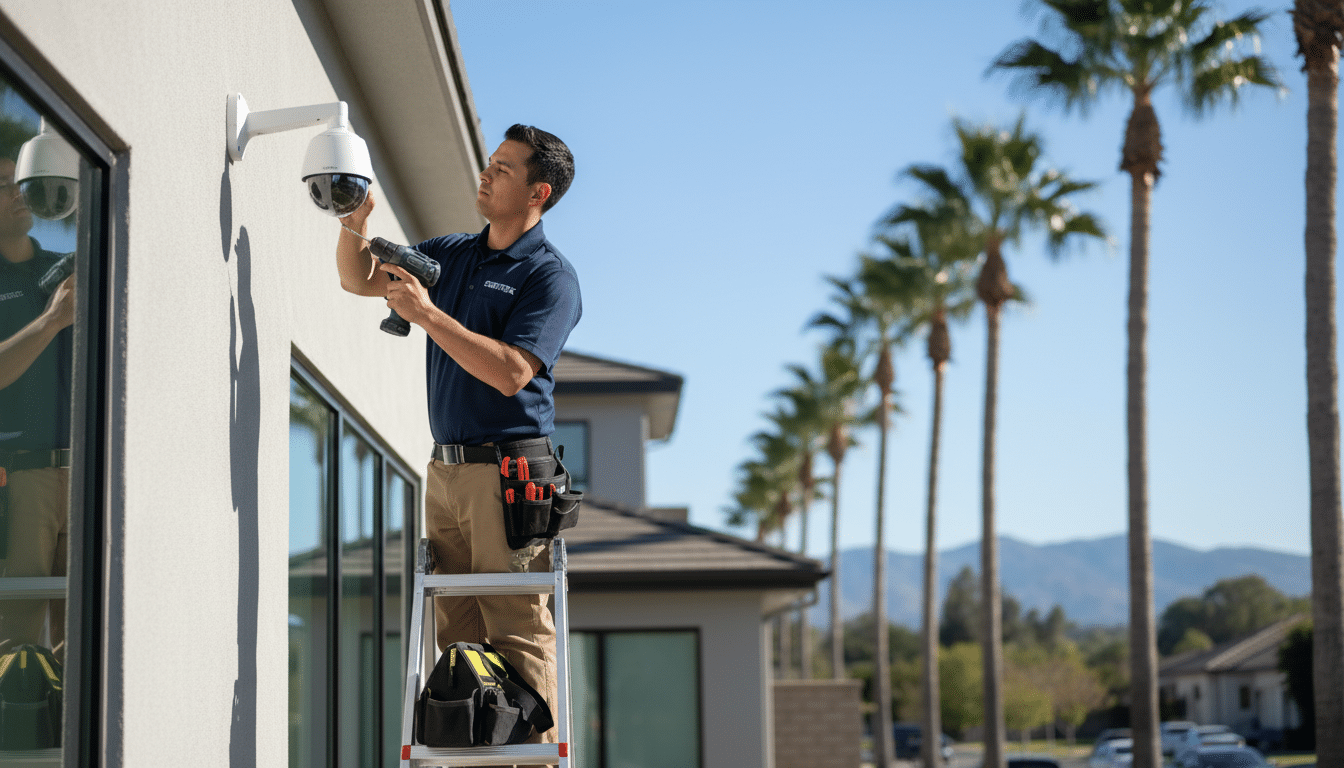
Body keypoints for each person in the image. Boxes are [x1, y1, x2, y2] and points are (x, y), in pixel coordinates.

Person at [335, 124, 580, 751]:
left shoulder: (549, 278)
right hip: (445, 472)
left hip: (508, 475)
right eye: (489, 162)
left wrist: (427, 314)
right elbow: (359, 280)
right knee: (459, 633)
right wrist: (349, 220)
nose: (487, 172)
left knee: (516, 629)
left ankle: (532, 765)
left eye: (504, 168)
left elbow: (511, 372)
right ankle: (478, 759)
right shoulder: (455, 253)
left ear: (538, 192)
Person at [0, 154, 76, 657]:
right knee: (17, 644)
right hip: (21, 482)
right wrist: (50, 322)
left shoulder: (63, 268)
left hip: (86, 476)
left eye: (19, 182)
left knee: (85, 641)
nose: (18, 192)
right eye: (4, 186)